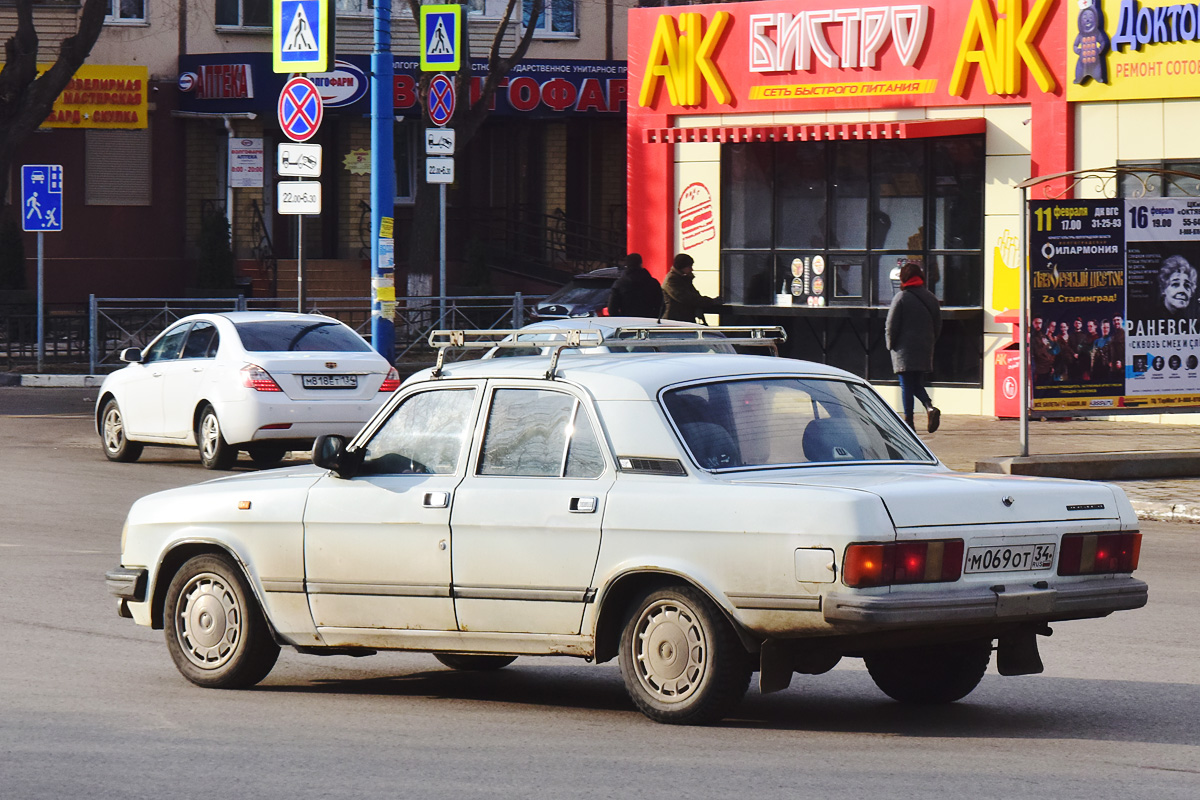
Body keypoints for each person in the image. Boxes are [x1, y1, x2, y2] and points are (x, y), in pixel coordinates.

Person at [885, 262, 942, 432]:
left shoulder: (901, 298)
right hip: (924, 347)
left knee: (906, 385)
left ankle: (908, 421)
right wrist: (931, 341)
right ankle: (929, 408)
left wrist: (890, 344)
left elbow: (891, 324)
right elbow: (938, 324)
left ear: (903, 278)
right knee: (916, 382)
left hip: (904, 349)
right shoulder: (931, 297)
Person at [662, 253, 721, 323]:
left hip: (681, 319)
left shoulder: (681, 279)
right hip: (674, 320)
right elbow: (688, 298)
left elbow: (693, 296)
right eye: (689, 267)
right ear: (682, 267)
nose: (691, 269)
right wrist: (711, 301)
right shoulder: (672, 281)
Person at [607, 253, 663, 318]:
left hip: (627, 323)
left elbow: (612, 309)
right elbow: (661, 305)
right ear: (641, 264)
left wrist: (622, 320)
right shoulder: (653, 283)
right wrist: (654, 318)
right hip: (649, 322)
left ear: (627, 266)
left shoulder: (620, 284)